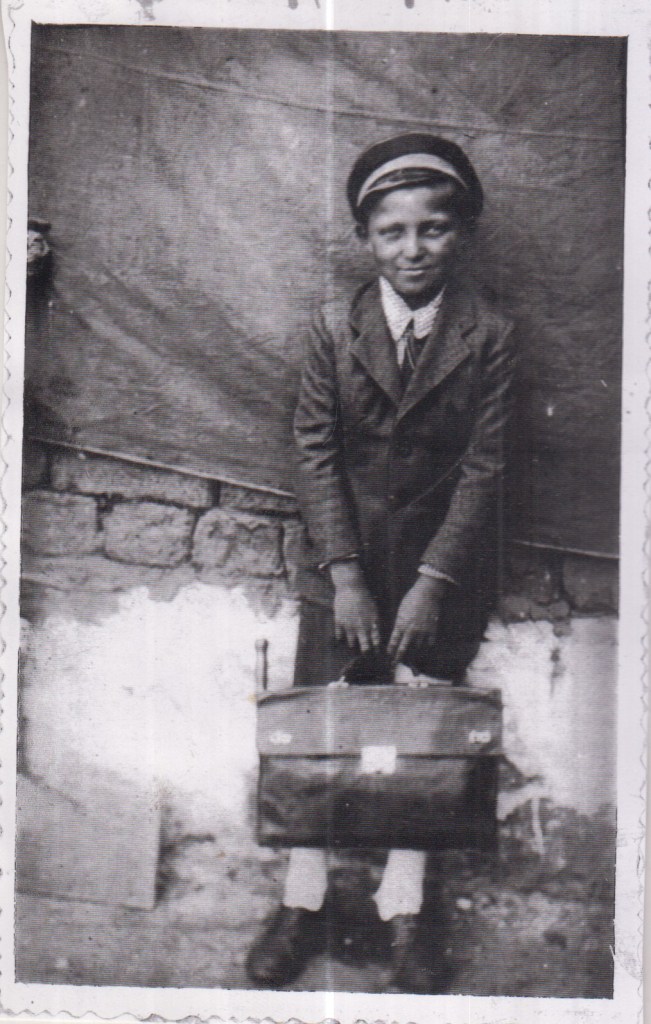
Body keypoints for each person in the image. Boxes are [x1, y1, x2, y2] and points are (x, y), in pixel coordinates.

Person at [247, 132, 516, 992]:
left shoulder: (489, 335)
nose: (412, 249)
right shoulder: (335, 327)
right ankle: (302, 898)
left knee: (420, 741)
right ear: (365, 238)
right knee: (320, 734)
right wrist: (346, 575)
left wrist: (432, 584)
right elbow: (314, 449)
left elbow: (486, 467)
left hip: (440, 574)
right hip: (343, 573)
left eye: (432, 229)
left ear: (460, 232)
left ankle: (407, 904)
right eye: (391, 232)